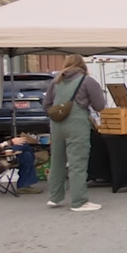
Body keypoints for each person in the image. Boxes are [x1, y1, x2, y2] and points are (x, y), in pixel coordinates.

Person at [43, 56, 106, 211]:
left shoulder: (56, 81)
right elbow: (99, 106)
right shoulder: (87, 81)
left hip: (56, 124)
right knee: (77, 162)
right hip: (76, 123)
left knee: (57, 160)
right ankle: (79, 201)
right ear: (82, 65)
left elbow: (46, 105)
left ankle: (55, 197)